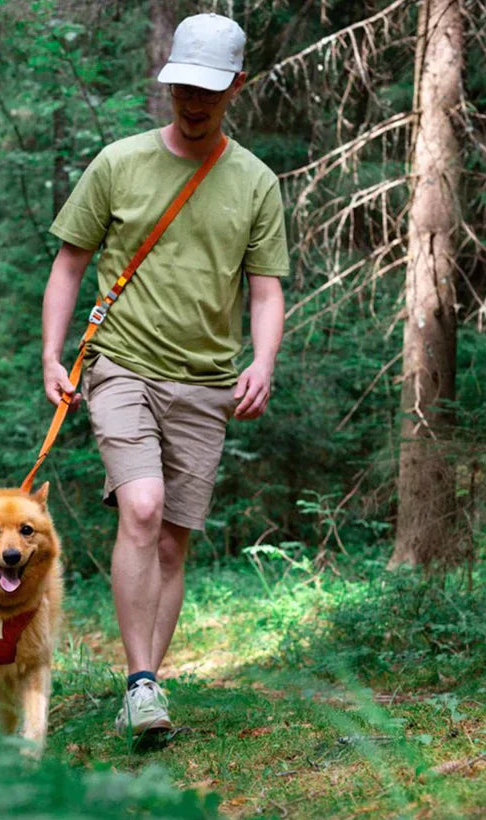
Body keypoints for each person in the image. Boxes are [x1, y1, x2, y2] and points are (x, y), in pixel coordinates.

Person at [41, 12, 289, 736]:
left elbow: (265, 288)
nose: (192, 99)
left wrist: (263, 360)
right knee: (141, 507)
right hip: (120, 362)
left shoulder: (255, 183)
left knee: (174, 537)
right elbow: (68, 265)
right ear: (168, 81)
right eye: (181, 84)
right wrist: (53, 355)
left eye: (208, 88)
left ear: (236, 86)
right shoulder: (118, 163)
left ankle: (146, 683)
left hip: (206, 380)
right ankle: (141, 681)